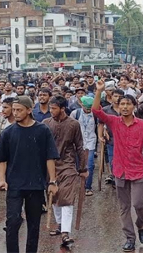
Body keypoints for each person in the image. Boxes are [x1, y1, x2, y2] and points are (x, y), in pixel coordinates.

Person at [92, 80, 143, 252]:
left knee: (138, 204)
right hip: (120, 171)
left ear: (134, 106)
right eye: (121, 104)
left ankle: (140, 223)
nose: (124, 107)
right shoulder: (114, 122)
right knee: (124, 207)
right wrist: (99, 91)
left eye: (128, 104)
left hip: (137, 171)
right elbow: (96, 111)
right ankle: (130, 238)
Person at [0, 96, 59, 253]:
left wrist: (52, 181)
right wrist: (2, 180)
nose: (15, 113)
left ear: (29, 110)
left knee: (34, 224)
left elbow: (50, 157)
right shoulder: (8, 133)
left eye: (19, 110)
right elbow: (1, 160)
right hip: (14, 185)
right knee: (13, 222)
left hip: (36, 184)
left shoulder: (43, 130)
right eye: (14, 110)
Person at [43, 96, 86, 248]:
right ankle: (60, 224)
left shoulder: (73, 124)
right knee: (54, 197)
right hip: (50, 165)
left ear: (62, 109)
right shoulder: (46, 123)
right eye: (50, 108)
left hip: (68, 164)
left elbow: (79, 146)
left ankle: (65, 233)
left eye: (54, 108)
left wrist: (82, 168)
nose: (51, 111)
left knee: (67, 198)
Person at [71, 96, 97, 195]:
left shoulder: (95, 114)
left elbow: (100, 125)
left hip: (90, 142)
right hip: (78, 142)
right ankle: (79, 183)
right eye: (86, 107)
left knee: (89, 165)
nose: (87, 109)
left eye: (89, 108)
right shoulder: (75, 113)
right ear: (82, 104)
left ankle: (88, 187)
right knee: (79, 165)